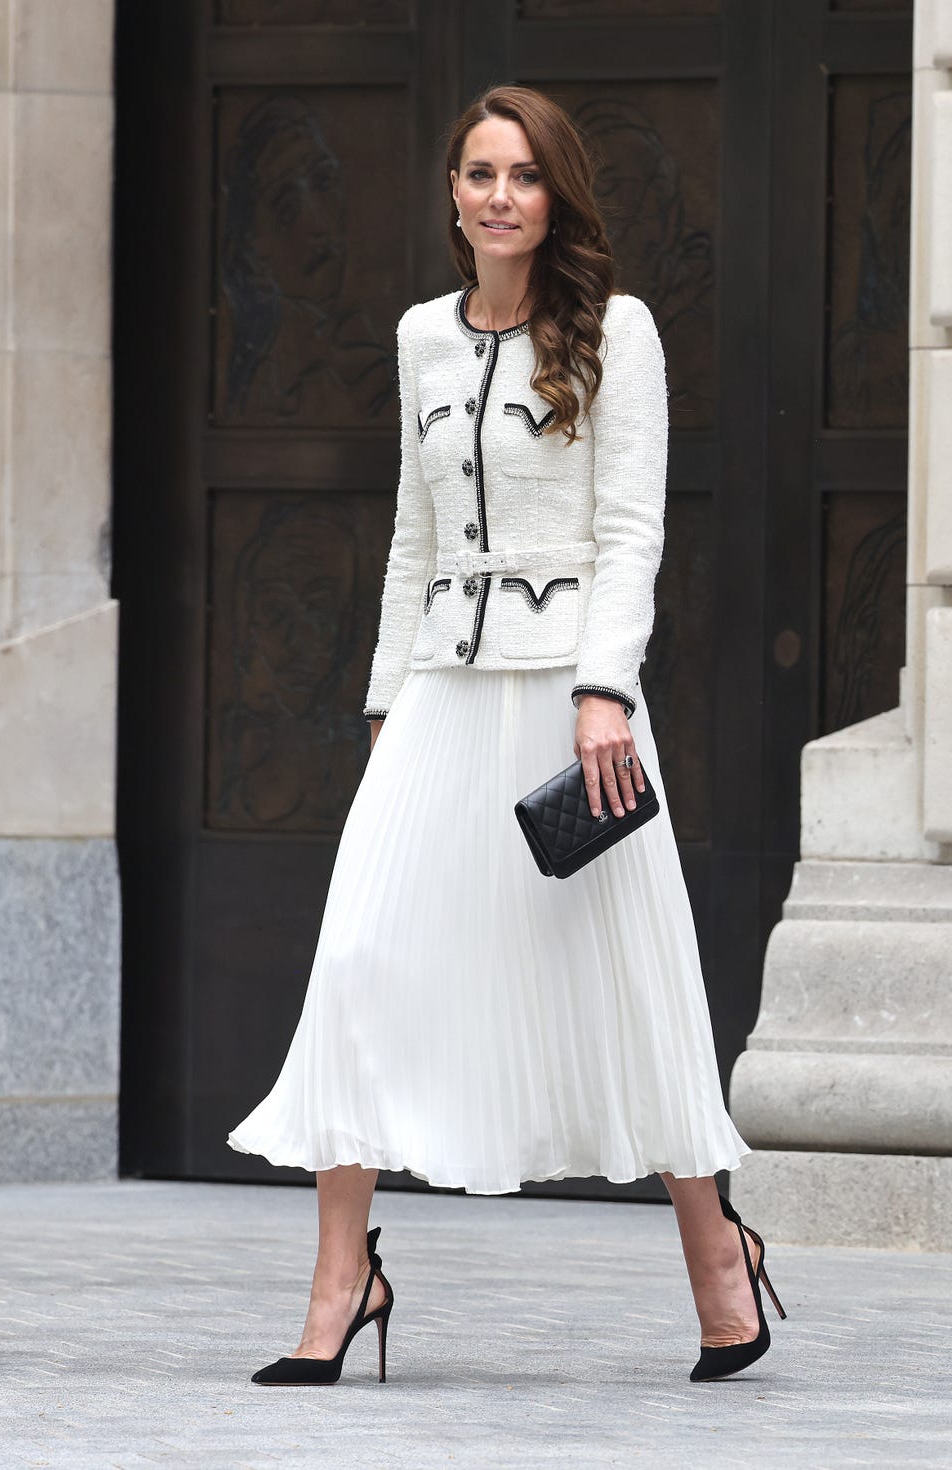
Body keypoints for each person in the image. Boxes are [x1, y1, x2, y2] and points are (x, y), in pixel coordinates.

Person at [228, 84, 787, 1388]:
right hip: (439, 691)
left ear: (555, 196)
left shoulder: (617, 331)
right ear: (453, 194)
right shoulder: (423, 338)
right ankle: (339, 1279)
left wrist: (607, 689)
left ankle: (721, 1263)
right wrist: (385, 698)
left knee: (626, 982)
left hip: (572, 703)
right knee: (360, 956)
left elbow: (630, 531)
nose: (497, 194)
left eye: (522, 175)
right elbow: (413, 541)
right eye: (478, 172)